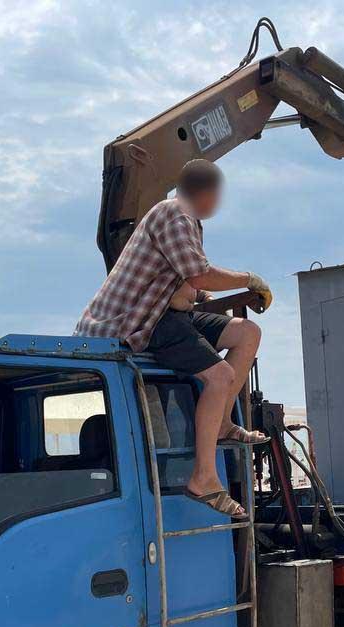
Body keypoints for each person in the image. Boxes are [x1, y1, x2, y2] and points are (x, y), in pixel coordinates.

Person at [75, 159, 270, 519]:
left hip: (168, 313)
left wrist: (206, 298)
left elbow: (186, 284)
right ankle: (204, 478)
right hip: (137, 320)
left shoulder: (187, 222)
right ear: (207, 193)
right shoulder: (175, 214)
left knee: (247, 333)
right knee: (220, 376)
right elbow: (199, 273)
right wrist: (249, 279)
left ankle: (223, 422)